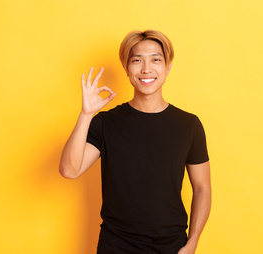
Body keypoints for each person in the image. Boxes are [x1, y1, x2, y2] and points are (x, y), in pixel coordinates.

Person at [59, 29, 211, 254]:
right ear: (127, 70)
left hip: (172, 246)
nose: (146, 69)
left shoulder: (189, 125)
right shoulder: (106, 123)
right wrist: (86, 115)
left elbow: (202, 189)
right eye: (137, 60)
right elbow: (70, 170)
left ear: (167, 67)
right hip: (116, 245)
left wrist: (193, 242)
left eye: (156, 60)